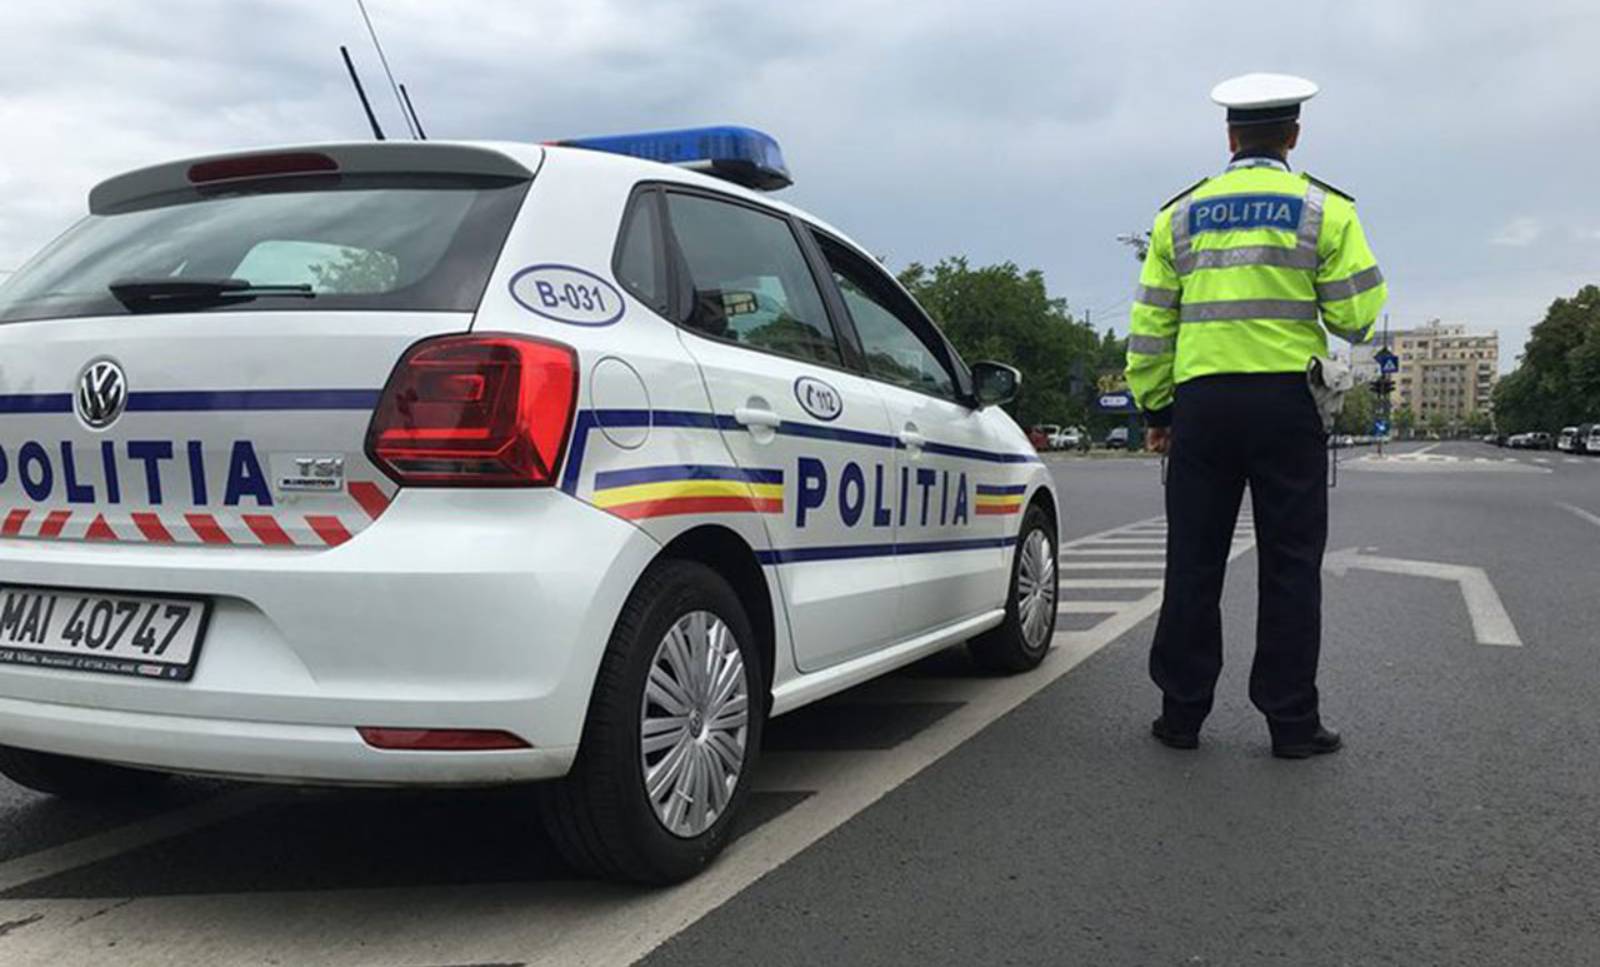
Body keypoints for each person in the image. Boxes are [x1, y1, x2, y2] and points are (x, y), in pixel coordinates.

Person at [1124, 73, 1387, 759]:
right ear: (1293, 136)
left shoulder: (1178, 215)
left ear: (1230, 136)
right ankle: (1292, 724)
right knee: (1291, 564)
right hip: (1284, 406)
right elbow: (1356, 317)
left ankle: (1181, 716)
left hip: (1203, 406)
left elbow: (1151, 325)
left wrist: (1157, 406)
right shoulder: (1323, 210)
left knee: (1192, 562)